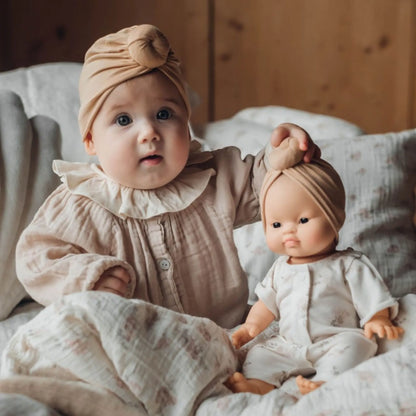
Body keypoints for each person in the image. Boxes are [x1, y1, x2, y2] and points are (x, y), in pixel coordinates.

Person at [15, 24, 318, 329]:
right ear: (91, 140)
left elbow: (264, 187)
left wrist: (282, 156)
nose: (149, 132)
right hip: (141, 343)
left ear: (186, 122)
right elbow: (36, 258)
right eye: (123, 120)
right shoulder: (81, 203)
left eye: (164, 114)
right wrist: (87, 277)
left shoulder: (213, 178)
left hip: (226, 332)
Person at [226, 138, 404, 394]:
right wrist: (250, 328)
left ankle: (326, 382)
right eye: (276, 225)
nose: (289, 231)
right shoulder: (280, 268)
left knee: (360, 346)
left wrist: (377, 318)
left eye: (303, 219)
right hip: (288, 344)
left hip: (335, 340)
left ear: (334, 219)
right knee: (261, 354)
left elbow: (372, 295)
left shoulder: (349, 264)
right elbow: (265, 304)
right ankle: (258, 384)